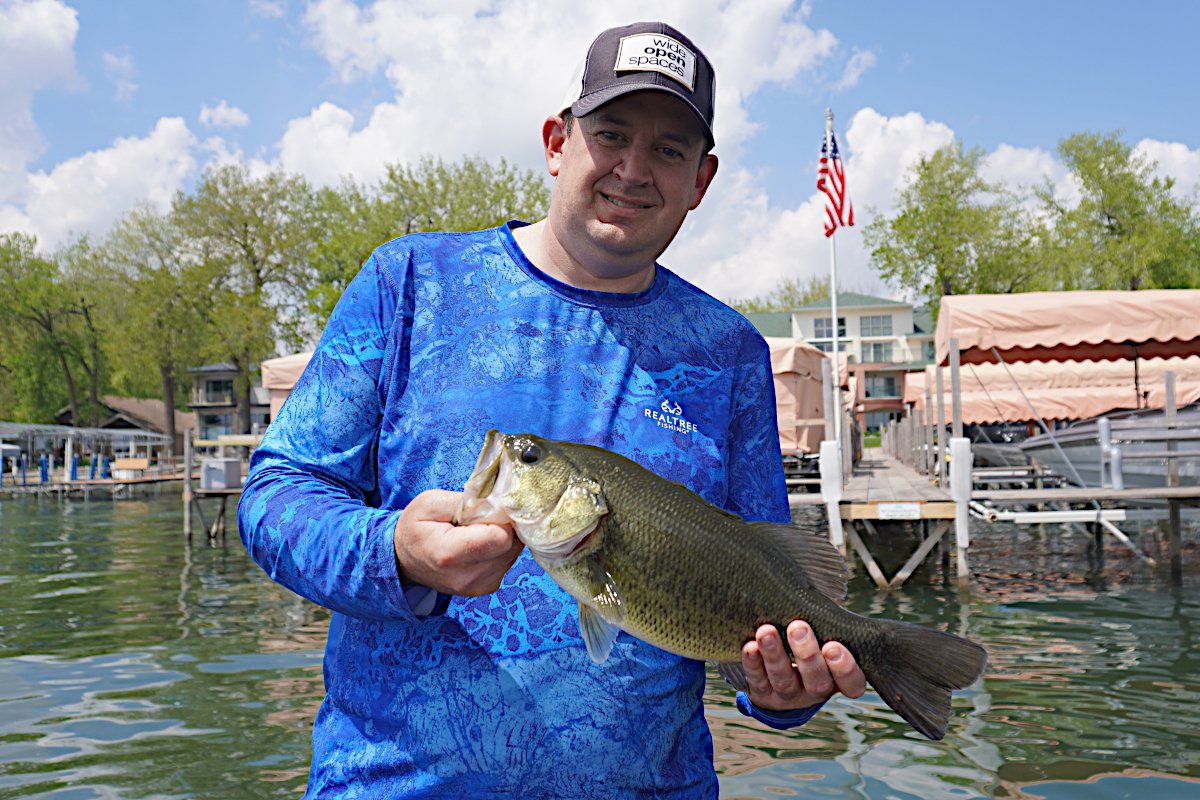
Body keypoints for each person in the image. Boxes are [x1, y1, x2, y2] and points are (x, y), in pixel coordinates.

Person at [238, 21, 866, 799]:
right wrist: (392, 548)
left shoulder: (730, 352)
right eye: (611, 134)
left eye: (668, 150)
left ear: (700, 182)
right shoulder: (409, 282)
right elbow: (275, 499)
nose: (634, 169)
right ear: (555, 142)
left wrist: (781, 695)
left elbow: (763, 599)